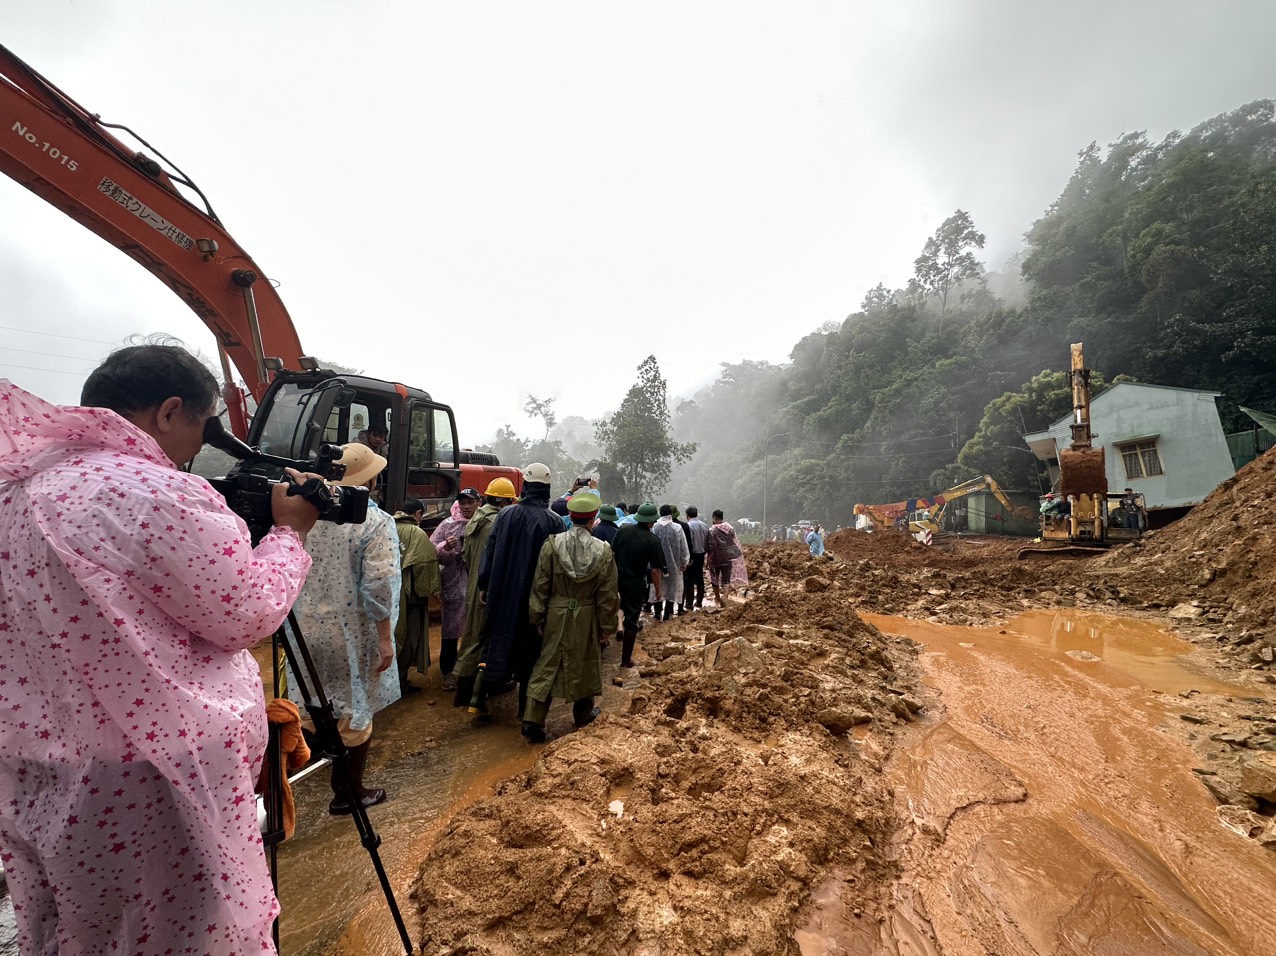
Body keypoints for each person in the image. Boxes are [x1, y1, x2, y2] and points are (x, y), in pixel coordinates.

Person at [0, 343, 320, 955]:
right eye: (202, 429)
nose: (197, 450)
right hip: (157, 780)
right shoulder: (154, 493)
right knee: (186, 934)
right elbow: (243, 612)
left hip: (38, 772)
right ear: (171, 411)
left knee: (78, 932)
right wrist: (289, 533)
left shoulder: (14, 492)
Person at [290, 442, 401, 815]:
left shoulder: (300, 515)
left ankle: (270, 789)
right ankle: (348, 794)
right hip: (353, 632)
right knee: (355, 711)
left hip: (303, 627)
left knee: (309, 705)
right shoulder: (374, 522)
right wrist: (385, 638)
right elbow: (379, 585)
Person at [523, 491, 619, 743]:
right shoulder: (603, 551)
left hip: (555, 612)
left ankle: (533, 719)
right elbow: (608, 595)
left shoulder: (552, 545)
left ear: (571, 516)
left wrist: (538, 617)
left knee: (548, 663)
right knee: (585, 662)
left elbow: (540, 585)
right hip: (586, 614)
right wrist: (607, 626)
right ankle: (583, 715)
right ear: (592, 519)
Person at [473, 462, 563, 721]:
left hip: (502, 593)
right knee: (532, 653)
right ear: (546, 490)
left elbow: (490, 553)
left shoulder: (505, 515)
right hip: (536, 600)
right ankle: (526, 711)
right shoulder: (554, 521)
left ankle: (479, 701)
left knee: (496, 642)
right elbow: (556, 567)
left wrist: (484, 586)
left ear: (524, 487)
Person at [452, 477, 517, 709]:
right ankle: (471, 693)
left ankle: (466, 688)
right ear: (505, 501)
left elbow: (467, 556)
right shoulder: (496, 522)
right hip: (486, 589)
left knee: (471, 635)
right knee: (480, 639)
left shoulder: (475, 521)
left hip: (473, 586)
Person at [431, 487, 482, 690]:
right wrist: (447, 547)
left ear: (479, 502)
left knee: (475, 627)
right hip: (453, 584)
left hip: (477, 583)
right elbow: (433, 549)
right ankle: (448, 671)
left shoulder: (484, 523)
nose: (466, 506)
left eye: (471, 502)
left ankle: (472, 670)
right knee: (451, 628)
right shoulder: (448, 524)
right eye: (463, 503)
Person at [610, 502, 667, 667]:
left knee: (608, 612)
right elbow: (655, 570)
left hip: (616, 579)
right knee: (632, 620)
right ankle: (625, 660)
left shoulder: (623, 531)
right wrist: (658, 592)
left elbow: (611, 554)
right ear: (650, 521)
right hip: (635, 583)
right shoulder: (653, 540)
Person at [394, 497, 441, 695]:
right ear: (418, 514)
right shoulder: (417, 533)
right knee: (406, 637)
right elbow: (426, 566)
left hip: (383, 595)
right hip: (408, 597)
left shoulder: (385, 527)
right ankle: (400, 681)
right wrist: (432, 595)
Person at [652, 504, 691, 621]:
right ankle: (667, 614)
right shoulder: (677, 528)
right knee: (671, 588)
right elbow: (684, 547)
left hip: (657, 564)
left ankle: (657, 613)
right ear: (671, 514)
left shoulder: (654, 527)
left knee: (657, 586)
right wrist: (684, 562)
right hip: (674, 564)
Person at [706, 510, 745, 606]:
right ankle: (725, 599)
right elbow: (733, 541)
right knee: (726, 579)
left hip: (715, 559)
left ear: (714, 518)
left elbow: (710, 546)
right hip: (728, 558)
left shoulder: (712, 530)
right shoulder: (730, 528)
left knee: (714, 579)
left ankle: (718, 599)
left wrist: (707, 559)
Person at [683, 505, 709, 611]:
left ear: (687, 515)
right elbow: (708, 541)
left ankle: (689, 603)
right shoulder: (704, 526)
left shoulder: (688, 526)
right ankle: (699, 601)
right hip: (701, 554)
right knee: (699, 578)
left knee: (689, 579)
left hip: (692, 555)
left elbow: (688, 543)